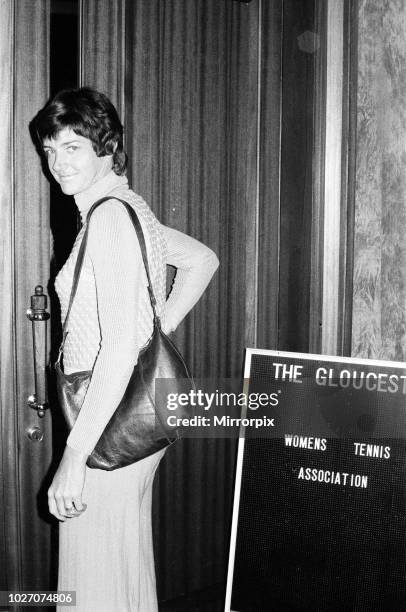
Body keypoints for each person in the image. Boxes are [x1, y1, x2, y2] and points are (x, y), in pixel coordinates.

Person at [33, 87, 219, 611]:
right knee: (122, 567)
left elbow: (117, 352)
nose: (57, 163)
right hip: (133, 417)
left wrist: (72, 458)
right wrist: (154, 326)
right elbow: (202, 260)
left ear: (107, 149)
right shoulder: (127, 208)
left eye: (72, 148)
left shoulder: (112, 219)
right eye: (50, 149)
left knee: (93, 580)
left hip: (109, 422)